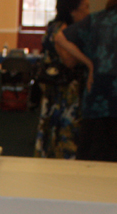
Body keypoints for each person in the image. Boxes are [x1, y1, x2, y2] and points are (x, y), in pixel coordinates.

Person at [55, 0, 117, 162]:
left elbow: (60, 38)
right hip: (103, 94)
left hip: (98, 94)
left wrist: (89, 64)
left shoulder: (97, 19)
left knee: (94, 154)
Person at [34, 0, 90, 159]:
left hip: (57, 87)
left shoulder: (56, 27)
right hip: (62, 89)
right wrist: (88, 60)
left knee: (54, 126)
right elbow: (69, 60)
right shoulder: (62, 29)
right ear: (73, 10)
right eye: (85, 8)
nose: (87, 13)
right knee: (62, 128)